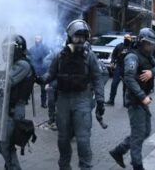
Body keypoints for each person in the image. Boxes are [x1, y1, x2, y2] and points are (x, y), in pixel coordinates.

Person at [39, 19, 105, 170]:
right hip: (63, 100)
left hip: (82, 100)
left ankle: (85, 167)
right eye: (77, 36)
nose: (80, 40)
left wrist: (100, 100)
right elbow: (51, 73)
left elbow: (97, 78)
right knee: (63, 139)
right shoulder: (60, 56)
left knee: (83, 140)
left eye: (83, 37)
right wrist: (40, 79)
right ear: (69, 37)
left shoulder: (90, 56)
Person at [108, 28, 155, 170]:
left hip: (142, 99)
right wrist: (142, 96)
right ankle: (137, 165)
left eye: (152, 44)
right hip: (135, 99)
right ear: (140, 42)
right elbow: (128, 78)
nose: (150, 47)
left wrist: (152, 72)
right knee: (138, 135)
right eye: (147, 44)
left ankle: (119, 150)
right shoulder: (132, 57)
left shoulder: (148, 56)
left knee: (145, 131)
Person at [0, 35, 33, 170]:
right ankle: (11, 165)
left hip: (14, 109)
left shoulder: (22, 64)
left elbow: (7, 82)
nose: (6, 52)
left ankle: (13, 167)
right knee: (0, 141)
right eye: (4, 49)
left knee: (4, 142)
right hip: (7, 107)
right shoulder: (12, 64)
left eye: (8, 49)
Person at [105, 34, 134, 106]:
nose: (127, 40)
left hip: (127, 68)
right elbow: (114, 55)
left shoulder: (132, 48)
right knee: (114, 84)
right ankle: (111, 100)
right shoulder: (119, 46)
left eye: (128, 39)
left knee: (126, 86)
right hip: (119, 67)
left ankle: (125, 102)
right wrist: (112, 62)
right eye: (126, 38)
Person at [28, 35, 49, 108]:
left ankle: (43, 103)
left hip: (43, 70)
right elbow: (29, 57)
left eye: (38, 39)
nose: (37, 40)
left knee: (43, 89)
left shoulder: (45, 48)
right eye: (36, 38)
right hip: (34, 70)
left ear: (41, 40)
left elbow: (48, 57)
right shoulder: (32, 49)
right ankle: (26, 100)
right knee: (28, 86)